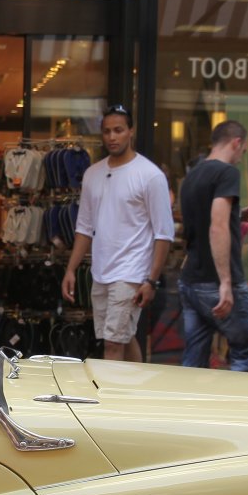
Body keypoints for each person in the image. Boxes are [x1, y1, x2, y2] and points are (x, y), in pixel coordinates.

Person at [60, 104, 174, 362]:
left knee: (113, 343)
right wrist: (71, 269)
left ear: (131, 131)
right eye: (107, 131)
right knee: (121, 336)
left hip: (132, 272)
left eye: (119, 130)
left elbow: (164, 234)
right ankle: (137, 385)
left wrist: (151, 280)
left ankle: (107, 389)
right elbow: (84, 227)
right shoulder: (93, 174)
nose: (112, 137)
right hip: (101, 270)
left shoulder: (150, 175)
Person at [179, 119, 248, 372]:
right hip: (216, 282)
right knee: (246, 354)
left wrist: (237, 214)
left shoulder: (192, 176)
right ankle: (240, 402)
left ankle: (188, 399)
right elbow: (217, 226)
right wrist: (226, 282)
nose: (241, 158)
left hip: (191, 280)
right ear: (236, 143)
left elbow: (201, 219)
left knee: (193, 362)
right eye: (243, 152)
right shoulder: (227, 173)